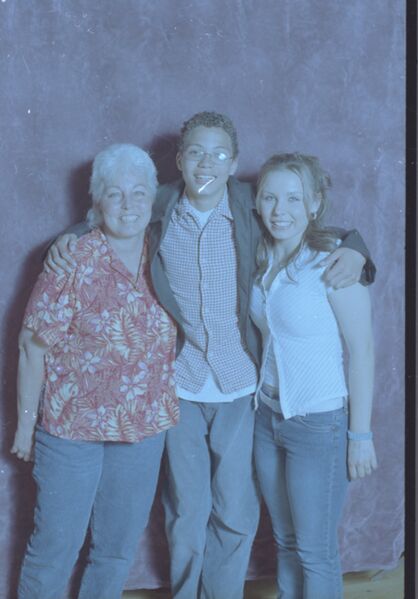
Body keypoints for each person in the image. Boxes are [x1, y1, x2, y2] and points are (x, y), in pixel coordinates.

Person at [45, 112, 375, 599]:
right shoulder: (160, 204)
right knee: (187, 509)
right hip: (181, 384)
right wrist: (70, 235)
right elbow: (112, 214)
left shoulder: (251, 204)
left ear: (234, 163)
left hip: (241, 386)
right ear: (179, 160)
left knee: (236, 509)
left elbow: (312, 222)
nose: (206, 163)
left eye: (219, 154)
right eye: (196, 153)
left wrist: (357, 247)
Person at [11, 144, 179, 599]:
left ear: (153, 199)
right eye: (114, 194)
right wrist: (25, 426)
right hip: (72, 431)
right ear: (96, 202)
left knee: (116, 550)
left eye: (138, 193)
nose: (127, 205)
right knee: (55, 548)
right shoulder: (71, 260)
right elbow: (31, 347)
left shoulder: (166, 254)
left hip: (143, 428)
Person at [251, 152, 377, 599]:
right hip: (266, 418)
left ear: (315, 203)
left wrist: (360, 435)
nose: (279, 210)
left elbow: (362, 353)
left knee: (315, 552)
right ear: (257, 202)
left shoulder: (334, 263)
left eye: (293, 198)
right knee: (285, 541)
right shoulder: (259, 256)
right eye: (270, 197)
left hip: (318, 424)